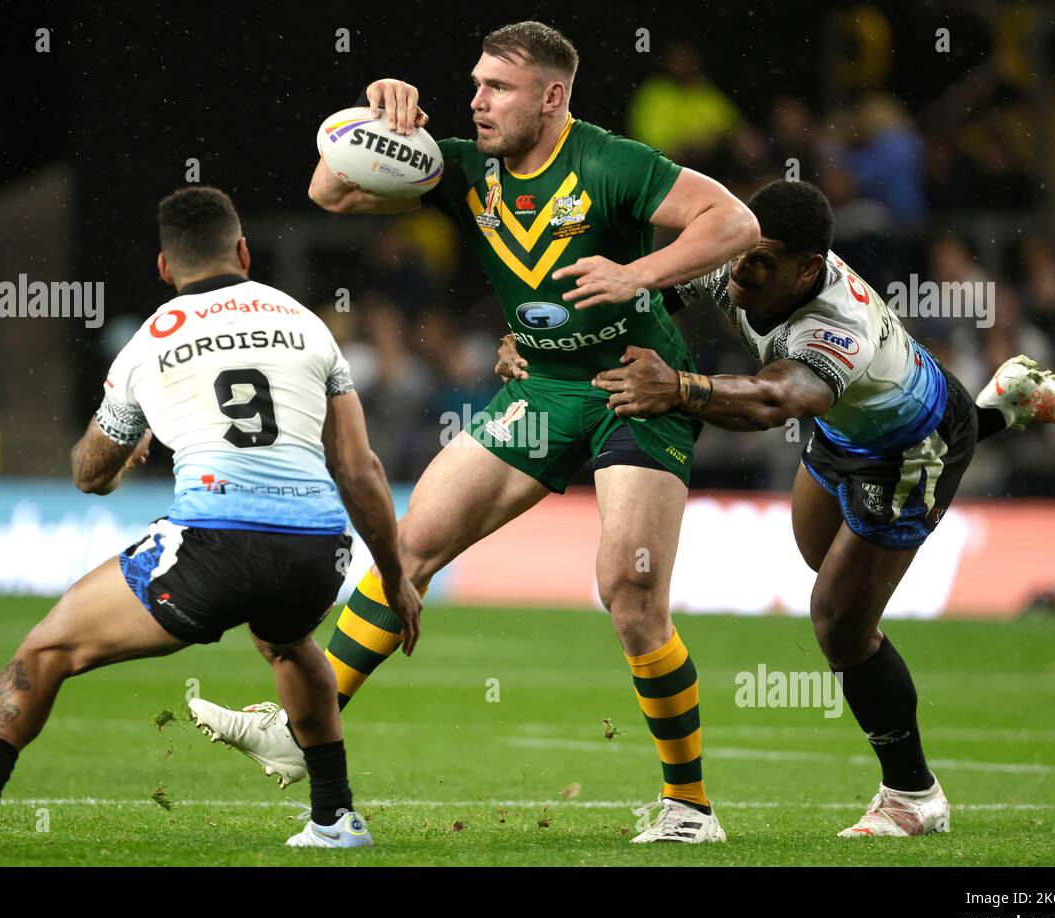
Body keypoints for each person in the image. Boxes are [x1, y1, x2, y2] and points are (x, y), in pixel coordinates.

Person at [188, 20, 760, 844]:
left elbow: (733, 221)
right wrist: (376, 120)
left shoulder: (610, 162)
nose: (477, 100)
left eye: (498, 87)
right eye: (475, 82)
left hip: (636, 389)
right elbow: (330, 193)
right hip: (543, 387)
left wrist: (638, 272)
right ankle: (293, 729)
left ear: (552, 97)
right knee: (408, 547)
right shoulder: (459, 165)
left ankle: (688, 808)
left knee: (629, 596)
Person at [497, 178, 1055, 837]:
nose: (741, 269)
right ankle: (1004, 403)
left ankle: (913, 796)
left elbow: (776, 401)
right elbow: (648, 293)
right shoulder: (742, 252)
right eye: (743, 251)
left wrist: (679, 387)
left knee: (838, 623)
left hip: (911, 448)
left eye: (761, 261)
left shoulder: (838, 327)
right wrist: (546, 339)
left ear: (808, 269)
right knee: (814, 554)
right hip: (843, 431)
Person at [0, 186, 420, 851]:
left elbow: (88, 473)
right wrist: (395, 577)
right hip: (316, 549)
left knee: (45, 650)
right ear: (245, 252)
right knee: (288, 642)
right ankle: (335, 819)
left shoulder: (151, 340)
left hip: (212, 546)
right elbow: (360, 468)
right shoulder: (306, 322)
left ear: (165, 268)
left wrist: (122, 454)